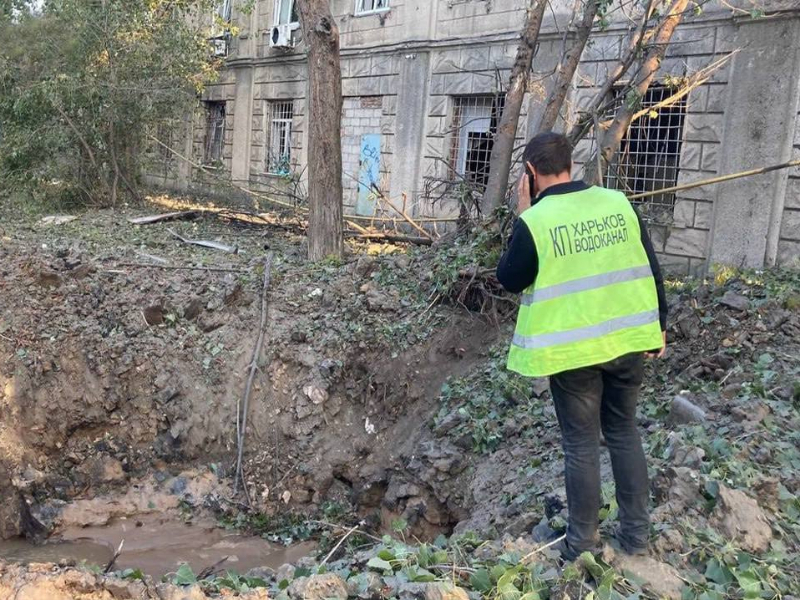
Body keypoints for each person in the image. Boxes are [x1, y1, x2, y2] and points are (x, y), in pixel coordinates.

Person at [496, 131, 668, 560]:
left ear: (531, 173)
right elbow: (649, 264)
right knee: (625, 432)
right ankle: (636, 538)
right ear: (570, 164)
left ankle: (582, 544)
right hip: (629, 342)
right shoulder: (617, 203)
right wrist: (659, 324)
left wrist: (522, 215)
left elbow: (510, 277)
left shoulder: (538, 221)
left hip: (575, 355)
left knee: (582, 445)